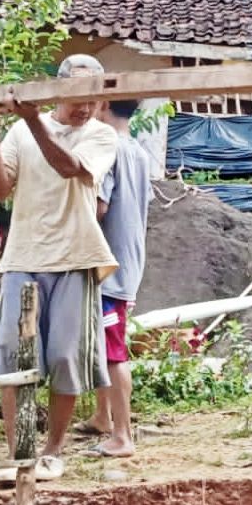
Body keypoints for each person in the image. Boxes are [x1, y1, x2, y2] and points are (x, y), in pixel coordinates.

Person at [0, 54, 119, 484]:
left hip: (75, 259)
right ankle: (21, 452)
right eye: (77, 95)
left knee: (65, 356)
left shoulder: (102, 136)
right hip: (25, 259)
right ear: (58, 88)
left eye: (94, 97)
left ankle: (52, 451)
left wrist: (32, 122)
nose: (85, 106)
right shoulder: (19, 129)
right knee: (16, 356)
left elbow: (68, 167)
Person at [78, 98, 156, 458]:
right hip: (127, 261)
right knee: (103, 343)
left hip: (107, 264)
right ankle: (102, 416)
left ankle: (123, 435)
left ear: (103, 104)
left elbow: (100, 206)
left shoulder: (109, 150)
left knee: (112, 351)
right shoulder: (139, 152)